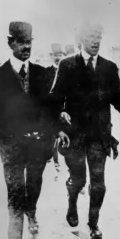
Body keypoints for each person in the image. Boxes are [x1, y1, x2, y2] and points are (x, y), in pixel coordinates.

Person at [0, 21, 69, 239]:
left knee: (34, 184)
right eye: (21, 42)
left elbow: (51, 107)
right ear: (11, 43)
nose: (26, 47)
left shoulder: (43, 73)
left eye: (29, 42)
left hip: (38, 142)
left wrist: (58, 129)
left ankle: (32, 210)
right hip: (10, 143)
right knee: (15, 190)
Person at [52, 22, 120, 239]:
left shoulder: (109, 67)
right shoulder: (67, 64)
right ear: (81, 39)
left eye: (99, 36)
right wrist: (60, 115)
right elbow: (55, 99)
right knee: (78, 180)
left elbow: (117, 97)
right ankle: (72, 204)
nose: (96, 41)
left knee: (99, 183)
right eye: (91, 36)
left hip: (100, 136)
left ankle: (93, 223)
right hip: (75, 136)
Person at [46, 43, 66, 174]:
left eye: (59, 55)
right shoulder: (46, 72)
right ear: (51, 56)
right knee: (52, 137)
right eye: (55, 55)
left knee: (66, 136)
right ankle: (56, 161)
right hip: (51, 110)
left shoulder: (68, 70)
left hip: (66, 109)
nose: (57, 57)